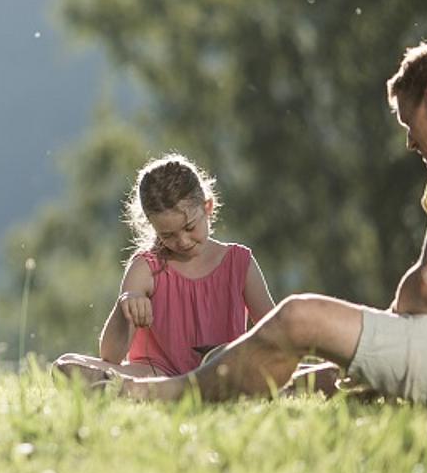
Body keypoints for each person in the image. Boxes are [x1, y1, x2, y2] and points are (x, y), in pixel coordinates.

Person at [107, 41, 427, 403]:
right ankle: (173, 385)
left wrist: (397, 315)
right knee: (330, 375)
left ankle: (163, 395)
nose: (411, 143)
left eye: (410, 124)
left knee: (302, 316)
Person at [52, 154, 276, 384]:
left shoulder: (239, 262)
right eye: (167, 235)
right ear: (152, 226)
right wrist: (126, 304)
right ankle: (151, 388)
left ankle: (134, 389)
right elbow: (111, 356)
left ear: (207, 207)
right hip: (157, 374)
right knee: (66, 364)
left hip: (224, 371)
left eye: (190, 227)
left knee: (298, 370)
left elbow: (275, 332)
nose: (183, 241)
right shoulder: (146, 268)